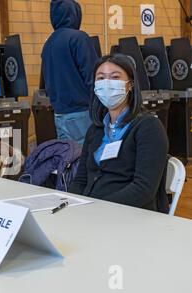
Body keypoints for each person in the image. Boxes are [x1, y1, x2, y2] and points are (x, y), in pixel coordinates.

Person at [69, 54, 169, 213]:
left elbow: (143, 189)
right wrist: (72, 205)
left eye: (115, 77)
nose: (106, 83)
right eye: (100, 78)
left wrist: (98, 209)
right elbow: (80, 180)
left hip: (130, 216)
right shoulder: (95, 130)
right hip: (90, 213)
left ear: (130, 85)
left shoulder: (148, 127)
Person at [42, 0, 98, 145]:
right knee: (86, 159)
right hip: (81, 112)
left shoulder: (48, 43)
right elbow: (93, 76)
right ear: (75, 14)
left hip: (59, 113)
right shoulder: (79, 38)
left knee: (68, 158)